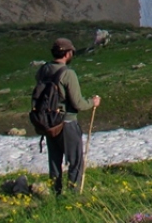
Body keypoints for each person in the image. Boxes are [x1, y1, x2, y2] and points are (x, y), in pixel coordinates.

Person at [37, 38, 100, 195]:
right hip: (67, 123)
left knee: (54, 160)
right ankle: (73, 193)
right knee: (75, 160)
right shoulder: (68, 74)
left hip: (50, 123)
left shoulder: (43, 70)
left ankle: (55, 192)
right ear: (66, 54)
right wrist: (92, 102)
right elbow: (78, 103)